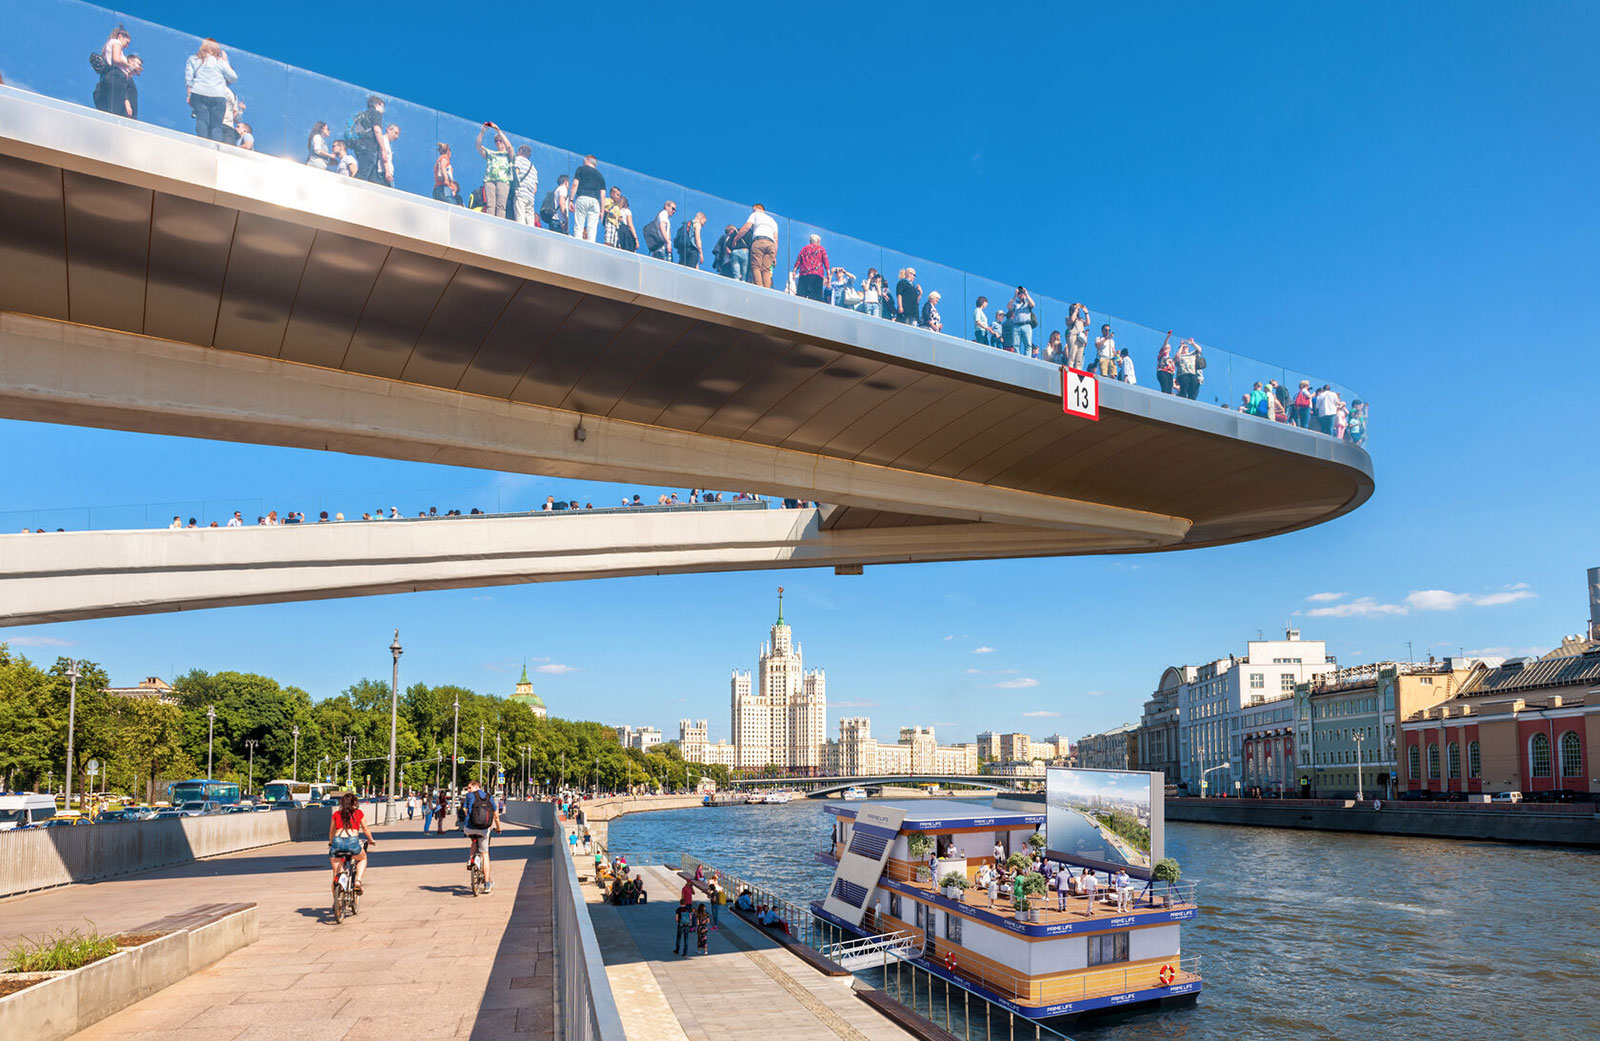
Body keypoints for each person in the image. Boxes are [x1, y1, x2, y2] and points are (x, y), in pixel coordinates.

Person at [184, 39, 238, 143]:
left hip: (198, 93)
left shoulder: (193, 59)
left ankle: (202, 144)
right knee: (216, 125)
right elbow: (233, 78)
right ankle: (215, 147)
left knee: (201, 120)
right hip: (217, 95)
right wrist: (225, 61)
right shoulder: (219, 61)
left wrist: (189, 95)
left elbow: (189, 80)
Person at [328, 791, 376, 893]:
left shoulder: (336, 814)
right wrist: (371, 840)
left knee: (336, 874)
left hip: (337, 842)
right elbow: (365, 829)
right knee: (363, 858)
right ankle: (358, 881)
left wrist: (331, 842)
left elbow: (331, 831)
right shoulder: (358, 813)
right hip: (352, 842)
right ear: (354, 803)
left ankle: (336, 905)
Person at [461, 779, 501, 893]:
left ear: (476, 786)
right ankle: (487, 883)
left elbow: (465, 810)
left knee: (473, 840)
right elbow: (496, 815)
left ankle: (471, 859)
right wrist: (498, 828)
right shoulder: (489, 797)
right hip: (484, 829)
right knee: (485, 853)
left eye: (469, 787)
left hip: (469, 828)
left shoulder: (469, 796)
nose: (468, 790)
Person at [476, 122, 514, 220]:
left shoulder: (508, 155)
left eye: (500, 141)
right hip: (490, 180)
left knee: (501, 206)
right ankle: (489, 223)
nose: (498, 142)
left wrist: (498, 131)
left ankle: (499, 224)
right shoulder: (491, 153)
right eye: (496, 141)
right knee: (490, 205)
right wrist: (482, 132)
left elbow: (509, 147)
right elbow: (478, 146)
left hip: (503, 181)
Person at [736, 204, 779, 288]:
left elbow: (747, 227)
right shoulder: (773, 221)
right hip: (771, 244)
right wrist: (774, 256)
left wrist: (736, 238)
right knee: (766, 270)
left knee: (756, 267)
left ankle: (759, 288)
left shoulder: (755, 214)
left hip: (759, 241)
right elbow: (776, 239)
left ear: (756, 209)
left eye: (753, 209)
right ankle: (767, 290)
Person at [93, 26, 132, 116]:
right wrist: (129, 65)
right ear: (120, 36)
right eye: (127, 42)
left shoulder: (110, 45)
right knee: (114, 111)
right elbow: (116, 59)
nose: (127, 46)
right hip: (117, 77)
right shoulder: (116, 42)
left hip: (113, 77)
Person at [348, 96, 387, 184]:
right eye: (382, 106)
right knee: (363, 173)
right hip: (369, 147)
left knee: (372, 178)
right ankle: (352, 189)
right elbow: (377, 130)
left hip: (359, 147)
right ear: (377, 105)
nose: (383, 110)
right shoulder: (376, 113)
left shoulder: (362, 115)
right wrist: (383, 150)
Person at [569, 155, 607, 242]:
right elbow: (603, 195)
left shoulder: (581, 169)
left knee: (579, 226)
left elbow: (575, 184)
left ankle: (577, 245)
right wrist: (602, 211)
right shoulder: (600, 176)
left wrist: (571, 200)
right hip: (595, 201)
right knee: (592, 229)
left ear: (586, 160)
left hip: (582, 197)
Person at [792, 235, 830, 301]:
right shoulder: (821, 249)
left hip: (804, 274)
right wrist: (828, 274)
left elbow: (798, 260)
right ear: (818, 241)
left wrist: (794, 271)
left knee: (801, 295)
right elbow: (826, 261)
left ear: (810, 241)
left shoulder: (804, 249)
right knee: (816, 297)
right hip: (817, 275)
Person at [511, 146, 539, 225]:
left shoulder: (519, 159)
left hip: (521, 193)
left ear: (520, 151)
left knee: (520, 217)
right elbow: (535, 189)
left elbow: (516, 173)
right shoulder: (533, 168)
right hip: (530, 197)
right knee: (530, 220)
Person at [1005, 287, 1036, 354]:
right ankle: (1017, 357)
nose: (1021, 295)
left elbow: (1033, 304)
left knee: (1028, 344)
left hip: (1026, 325)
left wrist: (1026, 294)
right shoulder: (1016, 305)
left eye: (1022, 293)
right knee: (1016, 344)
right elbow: (1008, 307)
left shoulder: (1027, 304)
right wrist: (1015, 296)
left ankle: (1027, 358)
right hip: (1017, 326)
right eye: (1020, 293)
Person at [1067, 303, 1089, 370]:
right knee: (1072, 354)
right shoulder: (1068, 318)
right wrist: (1075, 311)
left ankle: (1078, 370)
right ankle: (1070, 368)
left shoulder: (1081, 319)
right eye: (1074, 308)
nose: (1077, 310)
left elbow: (1088, 323)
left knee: (1079, 356)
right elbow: (1072, 320)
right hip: (1073, 336)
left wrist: (1086, 313)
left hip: (1081, 338)